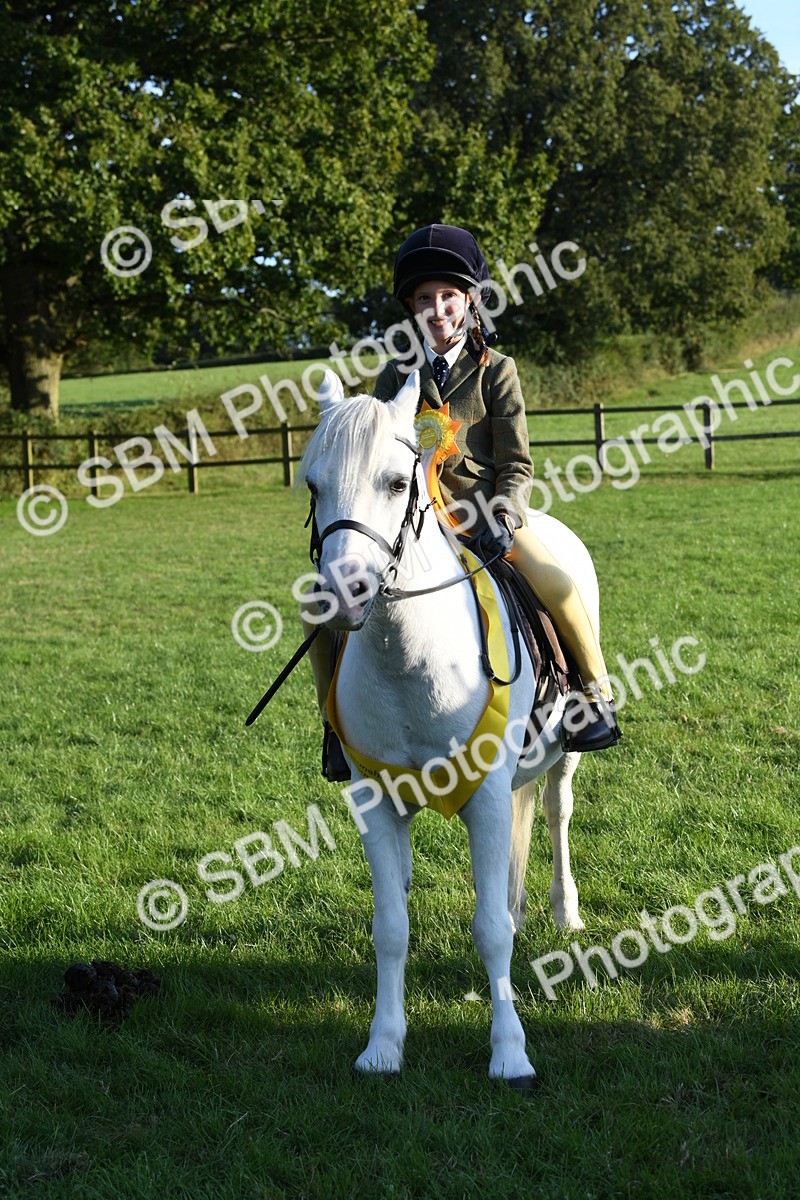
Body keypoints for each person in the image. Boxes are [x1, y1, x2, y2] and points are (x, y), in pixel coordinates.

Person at [308, 223, 621, 782]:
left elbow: (517, 465)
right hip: (408, 526)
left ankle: (593, 696)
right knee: (321, 607)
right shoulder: (394, 376)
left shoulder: (497, 371)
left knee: (557, 583)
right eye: (425, 299)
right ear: (411, 307)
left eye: (449, 296)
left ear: (470, 300)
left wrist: (504, 513)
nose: (438, 309)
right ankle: (335, 728)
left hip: (483, 517)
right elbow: (369, 460)